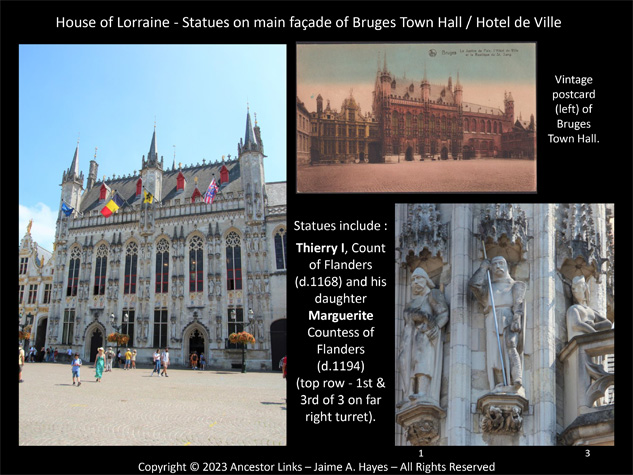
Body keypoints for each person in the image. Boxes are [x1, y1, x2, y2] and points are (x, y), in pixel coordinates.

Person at [469, 255, 526, 391]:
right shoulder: (489, 286)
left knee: (511, 345)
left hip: (508, 317)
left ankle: (516, 378)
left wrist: (517, 317)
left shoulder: (515, 285)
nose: (498, 267)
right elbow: (474, 286)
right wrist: (483, 268)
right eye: (495, 264)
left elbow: (519, 303)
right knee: (495, 353)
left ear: (506, 266)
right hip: (492, 319)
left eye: (501, 263)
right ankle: (500, 383)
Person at [397, 267, 449, 407]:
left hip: (424, 334)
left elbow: (443, 312)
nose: (415, 281)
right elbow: (408, 315)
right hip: (410, 336)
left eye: (418, 278)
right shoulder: (411, 303)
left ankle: (423, 392)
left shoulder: (433, 294)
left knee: (421, 360)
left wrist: (436, 327)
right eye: (413, 279)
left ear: (426, 280)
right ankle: (409, 394)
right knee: (404, 360)